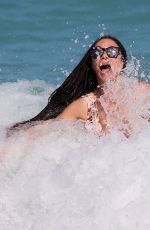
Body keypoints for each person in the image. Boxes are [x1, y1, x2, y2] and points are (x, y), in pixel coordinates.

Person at [7, 35, 149, 137]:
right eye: (96, 53)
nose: (104, 56)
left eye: (112, 52)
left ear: (123, 62)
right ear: (93, 65)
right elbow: (48, 129)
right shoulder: (85, 105)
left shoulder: (143, 92)